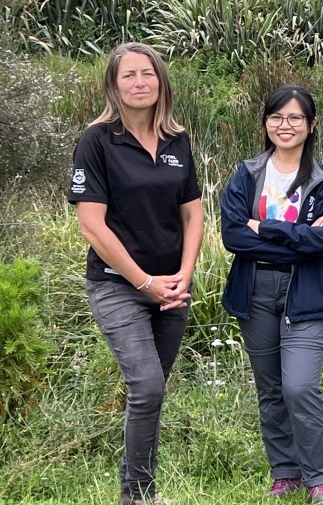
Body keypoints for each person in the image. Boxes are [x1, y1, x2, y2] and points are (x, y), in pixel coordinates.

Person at [68, 42, 204, 505]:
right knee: (146, 385)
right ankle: (142, 495)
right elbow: (91, 223)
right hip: (117, 285)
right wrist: (144, 282)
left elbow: (193, 214)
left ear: (161, 81)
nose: (140, 82)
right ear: (114, 84)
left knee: (152, 393)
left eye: (148, 73)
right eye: (129, 75)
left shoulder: (177, 140)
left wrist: (183, 275)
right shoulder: (98, 141)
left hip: (171, 287)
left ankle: (130, 494)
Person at [220, 85, 323, 502]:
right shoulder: (248, 173)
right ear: (266, 123)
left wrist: (266, 227)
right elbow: (233, 236)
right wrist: (298, 234)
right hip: (254, 288)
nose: (285, 125)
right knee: (271, 388)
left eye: (295, 118)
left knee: (299, 387)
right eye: (276, 117)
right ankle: (285, 472)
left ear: (311, 126)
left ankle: (321, 478)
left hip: (305, 292)